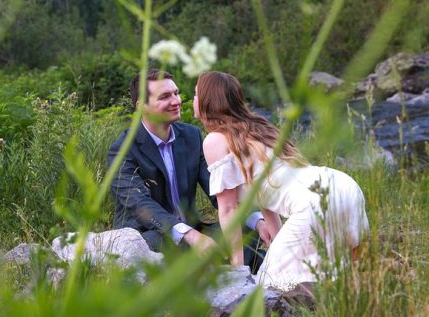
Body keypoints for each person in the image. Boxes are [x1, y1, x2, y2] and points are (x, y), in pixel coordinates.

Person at [193, 71, 369, 291]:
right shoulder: (260, 128)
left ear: (209, 101)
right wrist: (278, 245)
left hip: (312, 203)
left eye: (196, 94)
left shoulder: (215, 140)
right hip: (341, 184)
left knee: (270, 287)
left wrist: (238, 272)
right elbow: (268, 196)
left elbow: (228, 209)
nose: (193, 100)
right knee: (335, 273)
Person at [107, 69, 268, 269]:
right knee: (158, 245)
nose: (176, 101)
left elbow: (220, 189)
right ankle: (236, 265)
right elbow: (140, 205)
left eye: (175, 93)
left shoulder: (191, 136)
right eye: (165, 97)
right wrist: (190, 235)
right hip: (151, 235)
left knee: (244, 228)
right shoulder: (122, 149)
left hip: (195, 230)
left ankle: (239, 267)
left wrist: (259, 221)